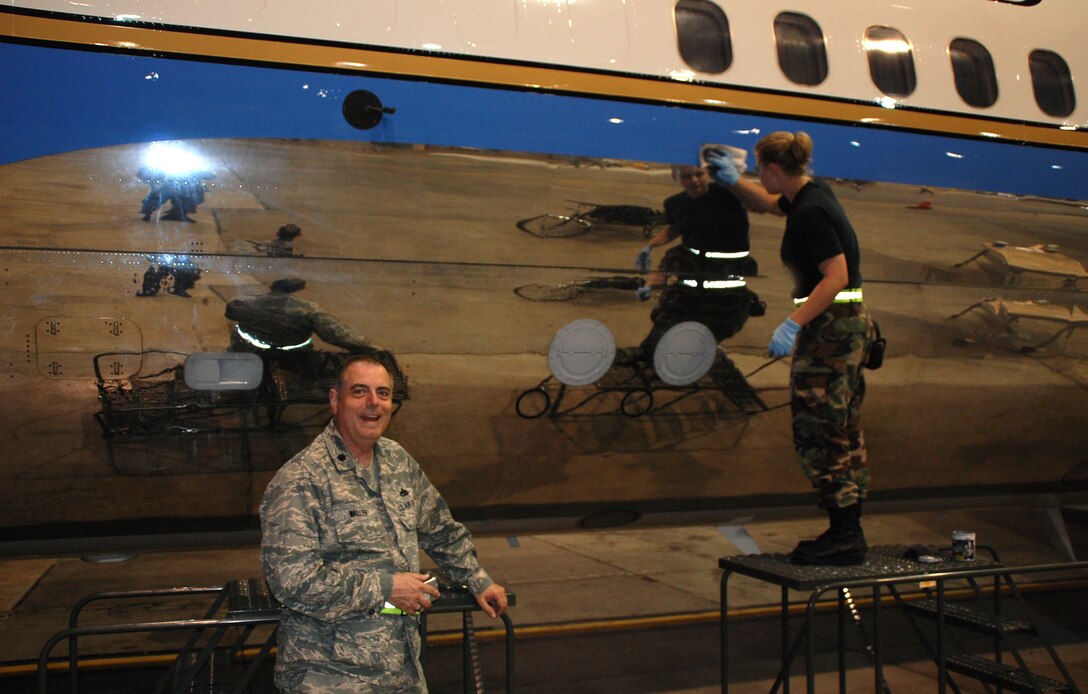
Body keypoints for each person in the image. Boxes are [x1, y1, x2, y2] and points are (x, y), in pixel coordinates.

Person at [260, 355, 508, 693]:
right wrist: (385, 587)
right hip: (331, 676)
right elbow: (291, 581)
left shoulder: (397, 461)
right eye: (359, 391)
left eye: (383, 393)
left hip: (400, 668)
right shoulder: (302, 480)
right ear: (336, 400)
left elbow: (441, 530)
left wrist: (478, 580)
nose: (373, 403)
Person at [706, 133, 876, 566]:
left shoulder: (811, 213)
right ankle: (847, 529)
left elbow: (835, 276)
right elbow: (768, 203)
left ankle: (844, 534)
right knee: (841, 426)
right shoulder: (809, 195)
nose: (759, 177)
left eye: (760, 170)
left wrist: (792, 323)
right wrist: (733, 182)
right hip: (843, 324)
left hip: (832, 327)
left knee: (820, 428)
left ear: (775, 169)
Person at [624, 163, 760, 365]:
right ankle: (651, 352)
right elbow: (676, 228)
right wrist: (649, 247)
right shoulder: (676, 203)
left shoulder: (729, 196)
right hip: (693, 273)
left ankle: (704, 353)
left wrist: (733, 176)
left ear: (707, 174)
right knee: (667, 318)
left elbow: (760, 202)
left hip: (725, 281)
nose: (694, 181)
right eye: (687, 176)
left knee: (714, 327)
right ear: (676, 176)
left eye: (699, 174)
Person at [225, 278, 375, 355]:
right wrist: (372, 349)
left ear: (272, 287)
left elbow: (230, 314)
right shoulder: (309, 310)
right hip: (294, 357)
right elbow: (337, 336)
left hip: (249, 352)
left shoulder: (241, 303)